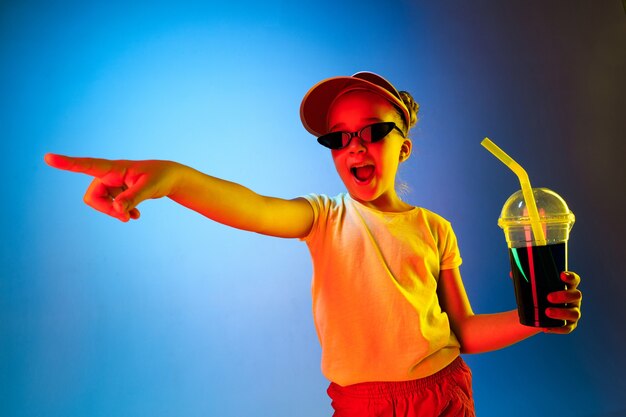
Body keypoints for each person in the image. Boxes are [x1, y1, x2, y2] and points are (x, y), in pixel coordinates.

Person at [44, 72, 582, 417]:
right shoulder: (323, 218)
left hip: (442, 394)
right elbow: (249, 205)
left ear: (405, 146)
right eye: (338, 137)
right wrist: (176, 178)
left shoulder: (435, 229)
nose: (355, 145)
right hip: (361, 405)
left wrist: (532, 317)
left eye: (372, 130)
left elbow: (461, 330)